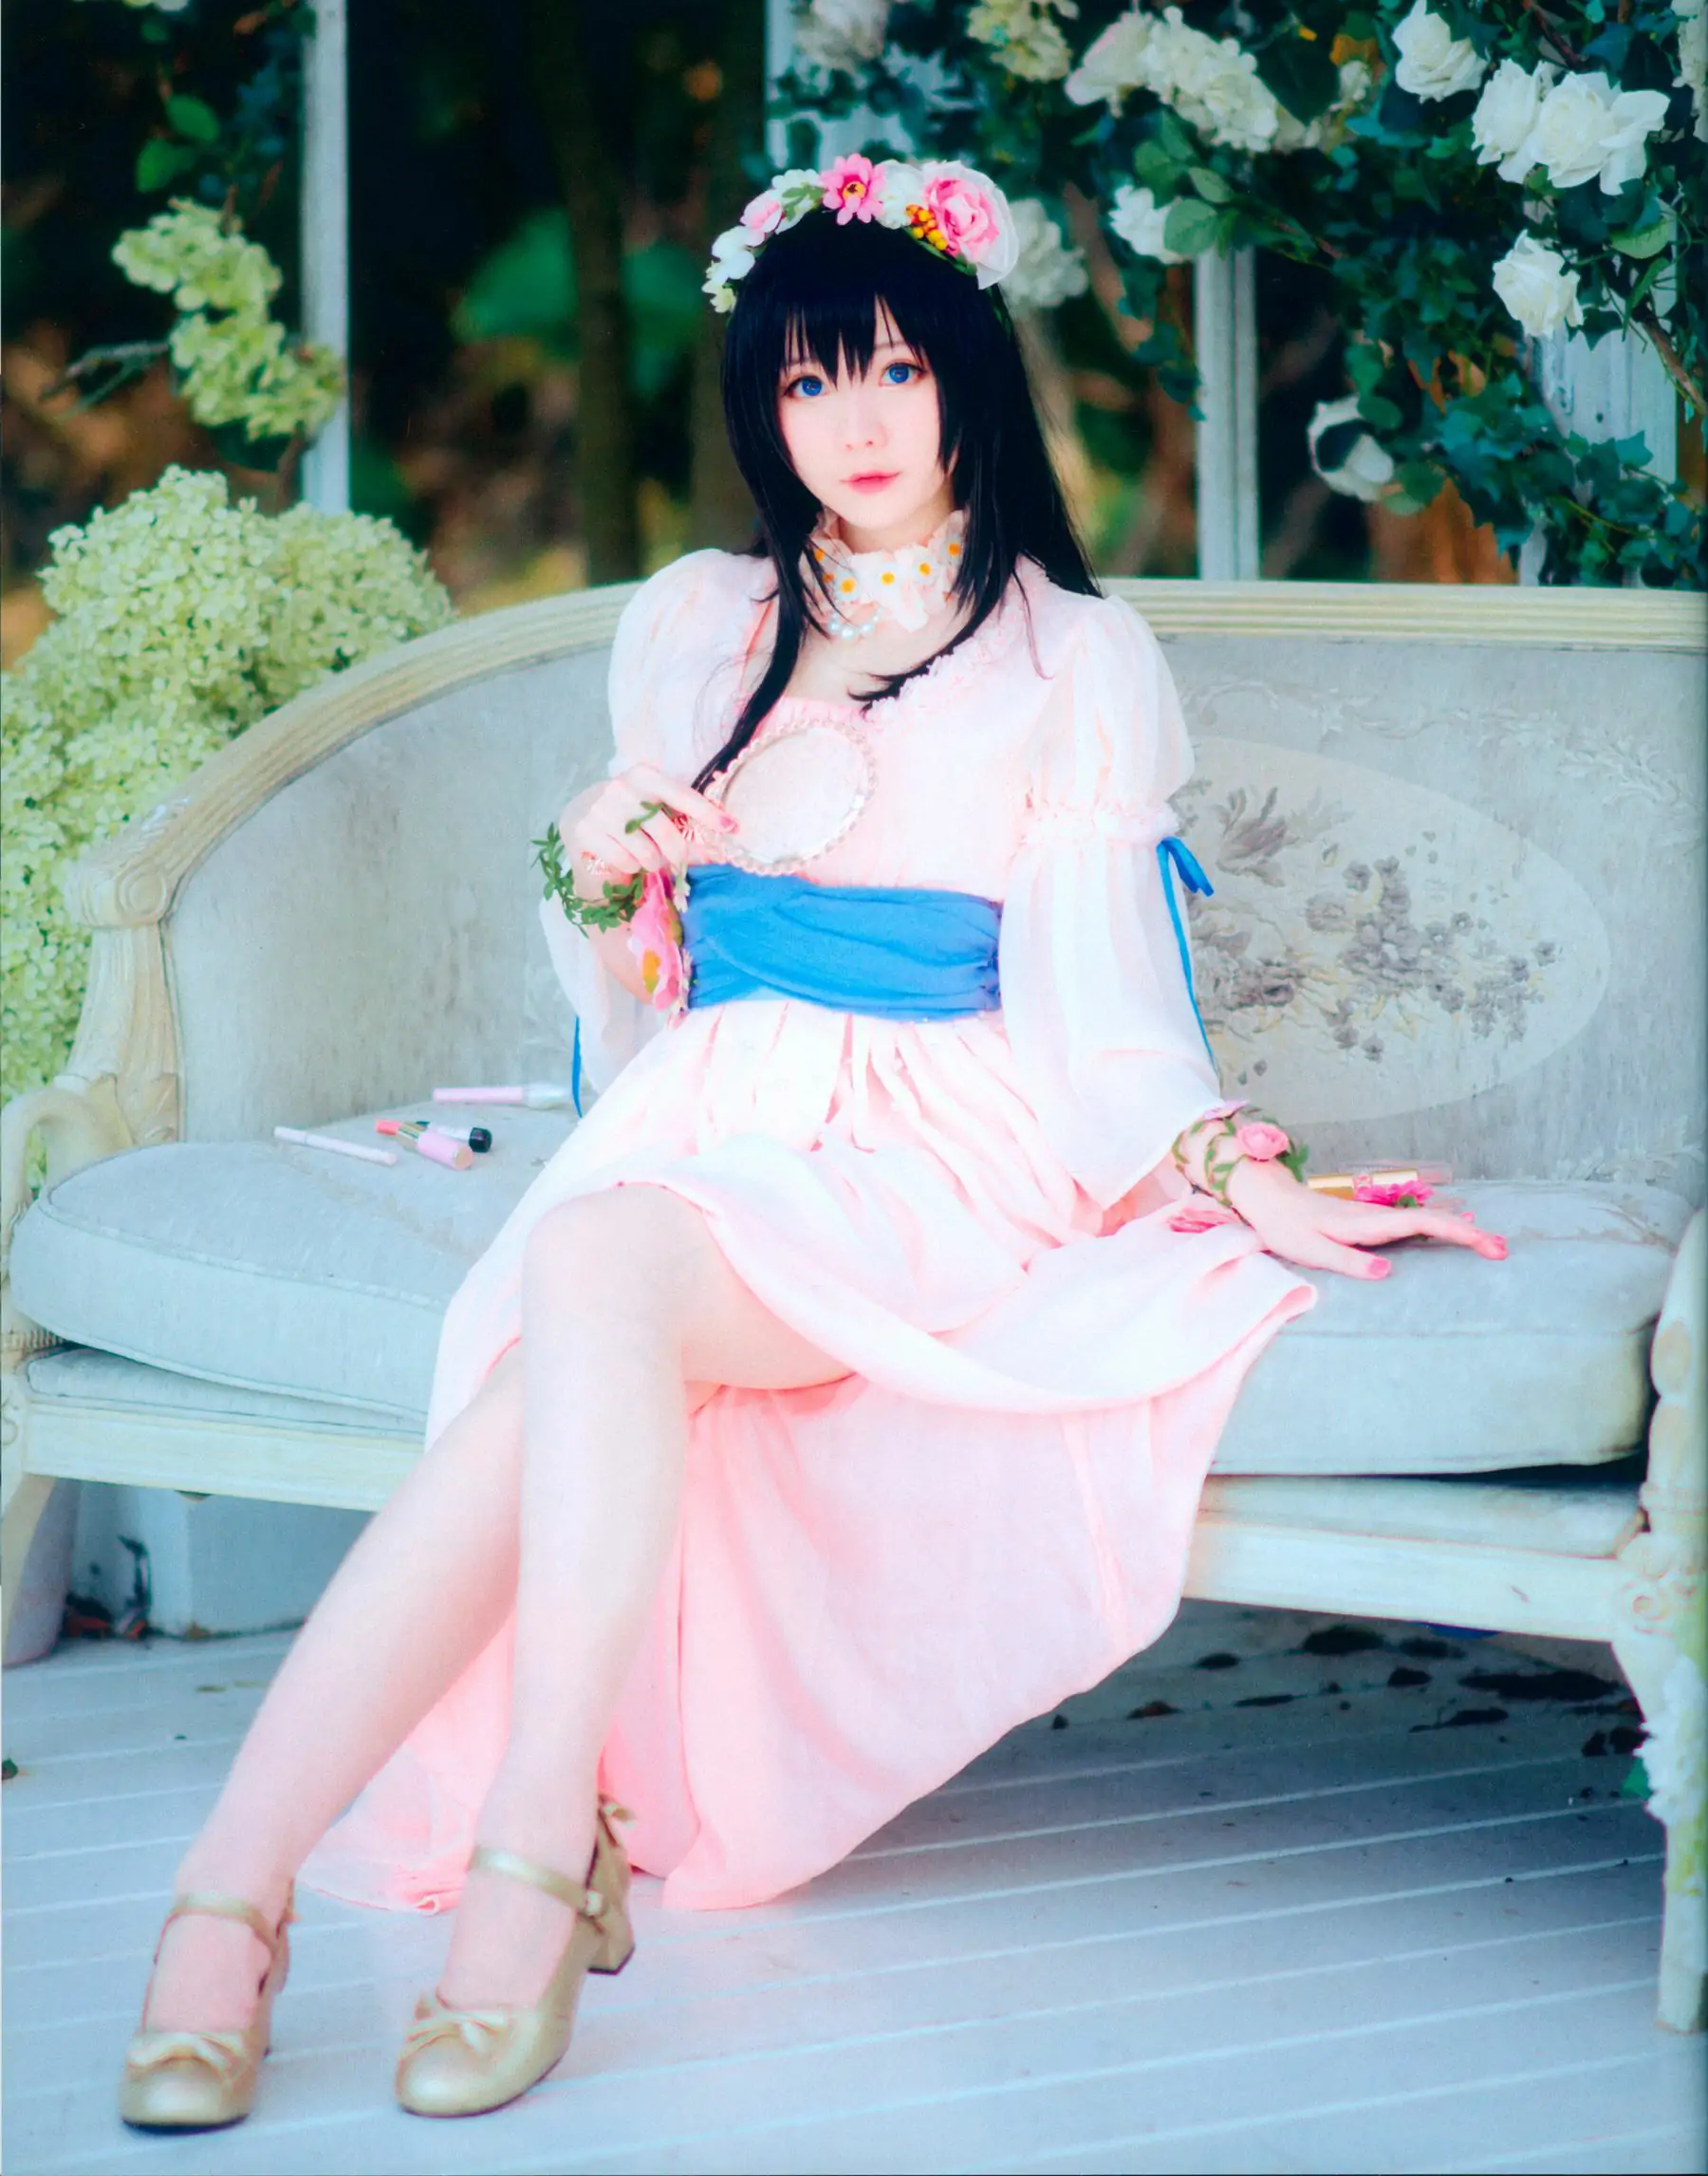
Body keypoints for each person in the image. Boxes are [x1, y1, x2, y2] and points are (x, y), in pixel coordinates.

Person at [117, 158, 1506, 2132]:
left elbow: (1102, 994)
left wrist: (1231, 1169)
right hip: (713, 1108)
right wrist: (605, 875)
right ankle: (254, 1888)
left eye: (893, 372)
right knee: (556, 1343)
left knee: (589, 1270)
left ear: (964, 379)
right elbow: (640, 985)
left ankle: (499, 1846)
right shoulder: (702, 624)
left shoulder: (1070, 655)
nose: (854, 422)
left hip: (935, 1138)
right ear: (762, 410)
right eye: (805, 383)